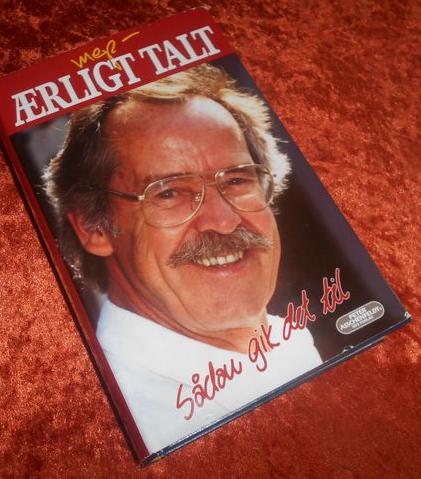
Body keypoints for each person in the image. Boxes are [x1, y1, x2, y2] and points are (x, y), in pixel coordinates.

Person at [45, 63, 322, 453]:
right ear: (95, 229)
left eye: (237, 180)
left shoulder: (293, 340)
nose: (223, 221)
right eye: (169, 192)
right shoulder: (117, 421)